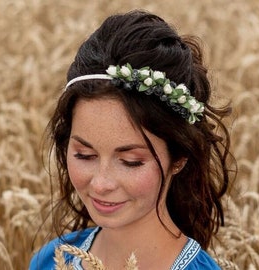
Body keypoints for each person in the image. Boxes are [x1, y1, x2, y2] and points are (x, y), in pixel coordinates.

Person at [29, 10, 235, 270]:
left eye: (130, 161)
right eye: (84, 155)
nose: (101, 183)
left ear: (179, 158)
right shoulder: (49, 260)